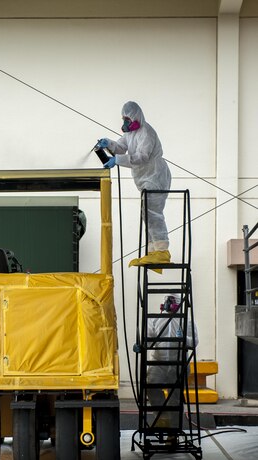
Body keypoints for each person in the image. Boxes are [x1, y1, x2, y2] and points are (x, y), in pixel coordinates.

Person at [97, 101, 172, 268]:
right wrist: (108, 143)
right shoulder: (130, 134)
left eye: (127, 119)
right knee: (148, 213)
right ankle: (153, 252)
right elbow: (120, 148)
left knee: (153, 213)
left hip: (156, 176)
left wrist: (117, 160)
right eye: (123, 119)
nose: (125, 123)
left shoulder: (147, 132)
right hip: (146, 179)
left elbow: (142, 157)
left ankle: (162, 251)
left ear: (136, 117)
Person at [146, 294, 199, 433]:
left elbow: (194, 341)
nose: (169, 303)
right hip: (159, 362)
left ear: (179, 304)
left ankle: (173, 432)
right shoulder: (156, 320)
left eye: (172, 300)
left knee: (175, 398)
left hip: (178, 364)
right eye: (167, 300)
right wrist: (143, 343)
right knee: (150, 385)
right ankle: (162, 418)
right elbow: (149, 339)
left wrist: (183, 339)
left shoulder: (186, 321)